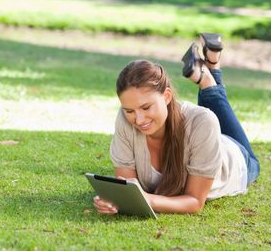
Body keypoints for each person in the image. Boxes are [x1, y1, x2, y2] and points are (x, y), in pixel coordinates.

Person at [93, 33, 260, 215]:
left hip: (235, 158)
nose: (138, 120)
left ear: (166, 96)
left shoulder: (202, 122)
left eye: (146, 107)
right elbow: (129, 190)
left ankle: (206, 78)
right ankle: (211, 64)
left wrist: (148, 199)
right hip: (204, 141)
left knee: (207, 119)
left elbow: (194, 201)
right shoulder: (126, 119)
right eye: (130, 111)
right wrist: (117, 200)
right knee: (202, 119)